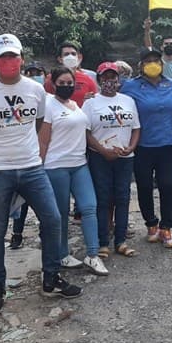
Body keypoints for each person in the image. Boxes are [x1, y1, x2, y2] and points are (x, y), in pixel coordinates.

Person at [0, 33, 82, 315]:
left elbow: (39, 122)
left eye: (13, 56)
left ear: (22, 59)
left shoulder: (36, 89)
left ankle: (50, 278)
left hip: (31, 167)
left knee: (53, 220)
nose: (9, 61)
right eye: (3, 57)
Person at [38, 67, 108, 274]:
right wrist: (39, 168)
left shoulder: (76, 105)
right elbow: (43, 140)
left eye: (71, 83)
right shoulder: (48, 105)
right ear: (53, 83)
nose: (67, 86)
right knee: (61, 213)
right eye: (63, 82)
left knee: (89, 207)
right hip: (55, 165)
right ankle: (62, 254)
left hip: (79, 164)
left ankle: (93, 255)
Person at [121, 48, 172, 248]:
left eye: (156, 60)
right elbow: (115, 102)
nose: (153, 63)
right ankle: (151, 224)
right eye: (148, 61)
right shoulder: (130, 87)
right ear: (141, 65)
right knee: (144, 186)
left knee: (167, 186)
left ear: (162, 65)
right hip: (142, 146)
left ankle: (167, 227)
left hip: (167, 144)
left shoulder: (171, 85)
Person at [83, 62, 141, 257]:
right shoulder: (91, 103)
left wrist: (132, 147)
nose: (110, 81)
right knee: (103, 199)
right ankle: (102, 242)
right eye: (105, 78)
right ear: (99, 80)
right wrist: (102, 150)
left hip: (125, 157)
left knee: (123, 198)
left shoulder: (128, 101)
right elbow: (87, 132)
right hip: (101, 158)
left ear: (119, 80)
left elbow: (136, 127)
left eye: (113, 77)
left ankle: (121, 240)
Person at [144, 18, 172, 186]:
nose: (169, 45)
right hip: (156, 103)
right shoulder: (158, 63)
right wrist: (147, 30)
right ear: (162, 47)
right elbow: (148, 47)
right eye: (166, 43)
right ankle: (156, 176)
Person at [9, 61, 48, 250]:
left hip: (46, 157)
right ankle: (17, 233)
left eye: (38, 72)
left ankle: (44, 233)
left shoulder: (48, 98)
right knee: (21, 201)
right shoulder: (21, 97)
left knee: (45, 202)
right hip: (24, 156)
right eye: (30, 73)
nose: (34, 76)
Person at [44, 40, 98, 106]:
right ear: (60, 59)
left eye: (73, 54)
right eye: (66, 54)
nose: (70, 56)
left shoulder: (88, 80)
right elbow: (46, 101)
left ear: (79, 57)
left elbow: (95, 102)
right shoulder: (51, 78)